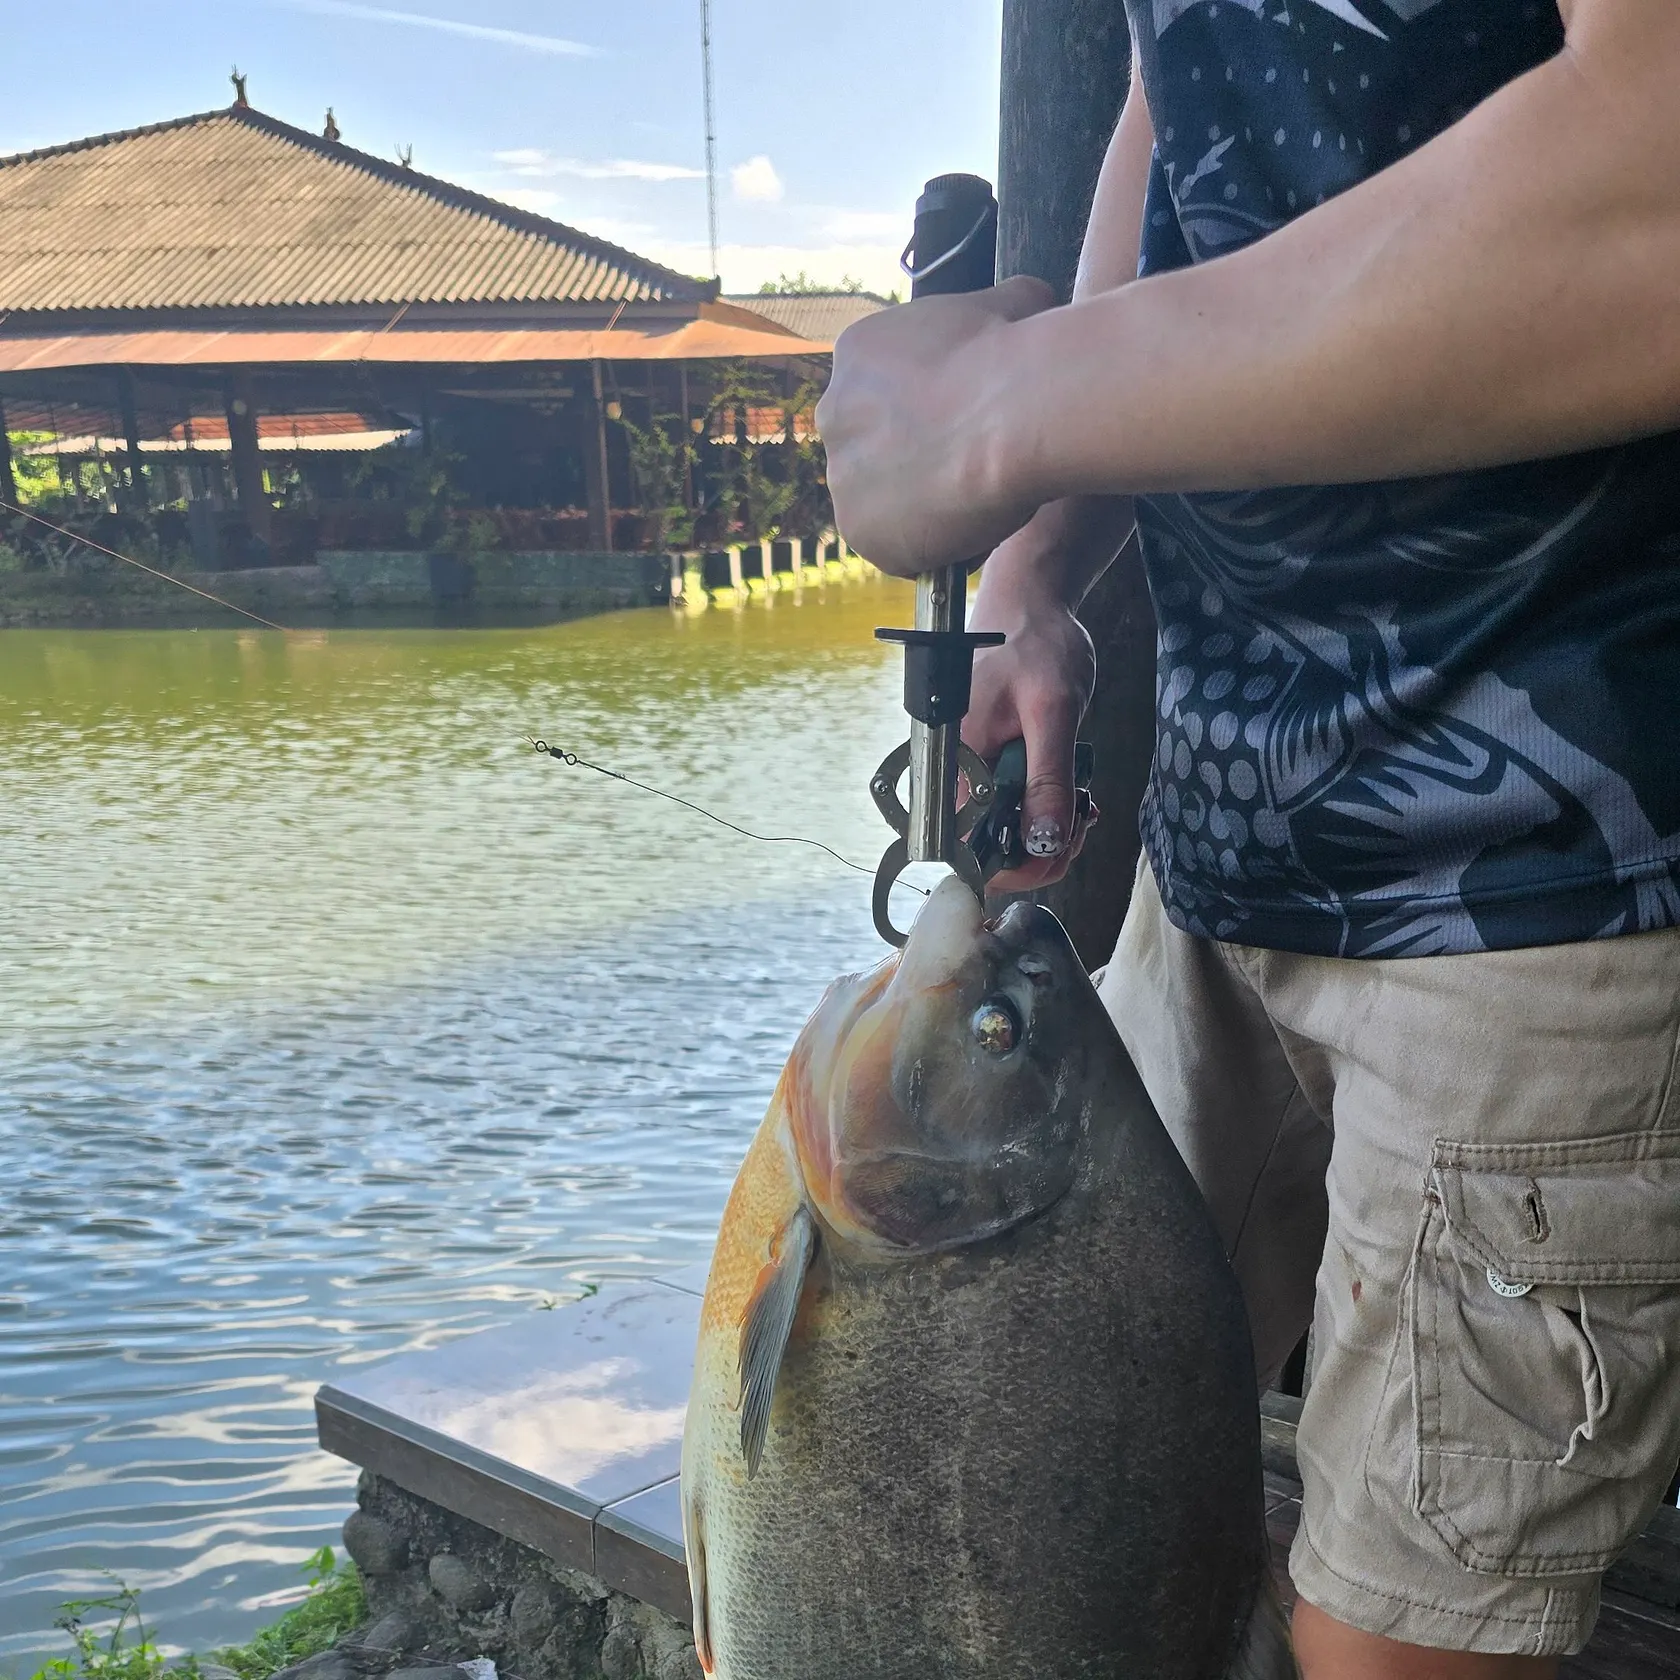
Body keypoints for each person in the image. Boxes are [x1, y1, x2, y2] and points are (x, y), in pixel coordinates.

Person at [815, 3, 1680, 1676]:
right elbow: (1177, 96)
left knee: (1381, 1647)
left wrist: (1010, 408)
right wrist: (1038, 554)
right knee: (1015, 1544)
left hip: (1551, 885)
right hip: (1213, 859)